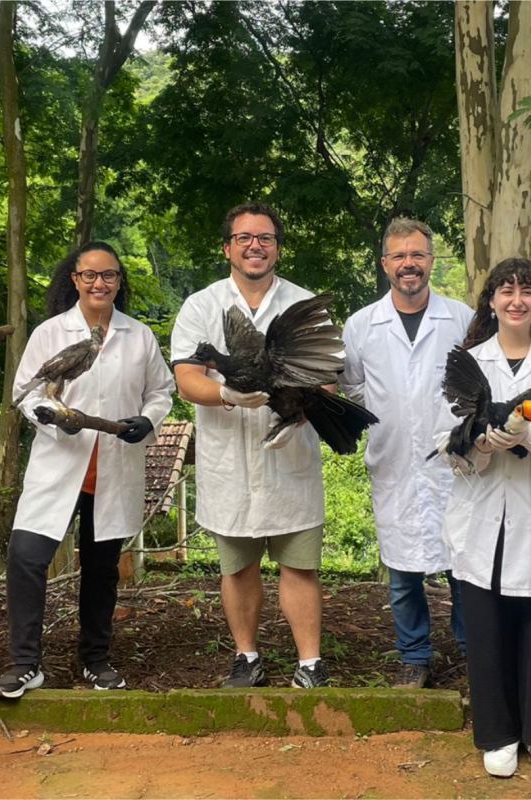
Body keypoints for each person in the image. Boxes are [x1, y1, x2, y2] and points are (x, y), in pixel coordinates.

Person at [0, 241, 174, 698]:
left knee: (101, 569)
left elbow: (161, 391)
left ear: (118, 282)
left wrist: (146, 422)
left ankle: (95, 659)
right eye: (89, 275)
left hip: (113, 468)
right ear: (74, 280)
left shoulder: (139, 336)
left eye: (108, 275)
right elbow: (25, 392)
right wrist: (54, 419)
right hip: (59, 465)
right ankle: (25, 663)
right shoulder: (51, 333)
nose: (99, 283)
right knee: (27, 559)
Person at [435, 257, 531, 779]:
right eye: (506, 291)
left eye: (527, 291)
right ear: (491, 302)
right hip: (482, 521)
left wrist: (529, 434)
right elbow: (446, 447)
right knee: (486, 633)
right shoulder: (467, 361)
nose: (517, 300)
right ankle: (498, 734)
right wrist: (480, 443)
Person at [171, 202, 330, 689]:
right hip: (229, 459)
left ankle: (310, 665)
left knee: (299, 565)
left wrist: (300, 403)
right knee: (238, 568)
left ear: (278, 248)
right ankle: (247, 657)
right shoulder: (202, 305)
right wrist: (226, 394)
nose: (255, 245)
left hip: (291, 454)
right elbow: (185, 378)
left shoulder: (304, 304)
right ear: (228, 248)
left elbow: (328, 379)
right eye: (244, 238)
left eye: (264, 238)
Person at [340, 217, 471, 689]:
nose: (408, 264)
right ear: (385, 265)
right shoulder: (362, 325)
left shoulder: (461, 318)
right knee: (402, 574)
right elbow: (350, 386)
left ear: (431, 261)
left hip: (455, 465)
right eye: (399, 256)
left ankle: (473, 652)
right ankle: (414, 656)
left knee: (463, 564)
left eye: (417, 255)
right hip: (393, 459)